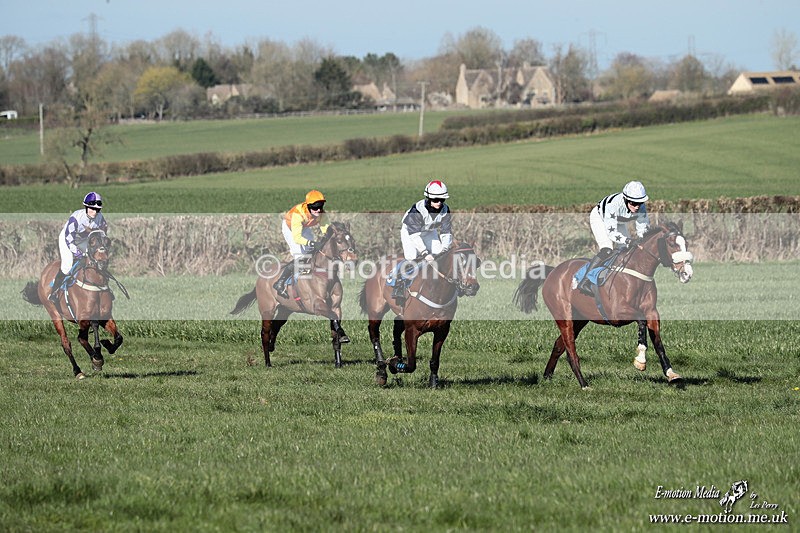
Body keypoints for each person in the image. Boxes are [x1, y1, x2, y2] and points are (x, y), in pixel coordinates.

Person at [577, 180, 650, 294]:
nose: (637, 207)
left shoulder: (641, 208)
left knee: (626, 250)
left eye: (639, 203)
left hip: (619, 221)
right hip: (600, 218)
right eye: (633, 203)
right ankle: (584, 281)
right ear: (625, 199)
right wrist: (628, 240)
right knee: (607, 250)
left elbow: (643, 230)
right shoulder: (613, 205)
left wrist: (642, 242)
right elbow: (612, 233)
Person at [393, 180, 453, 302]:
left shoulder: (445, 209)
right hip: (411, 232)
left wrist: (446, 248)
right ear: (428, 198)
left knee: (441, 254)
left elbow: (446, 231)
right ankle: (399, 285)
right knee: (412, 256)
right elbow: (414, 235)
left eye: (442, 200)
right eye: (436, 200)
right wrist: (425, 253)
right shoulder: (417, 210)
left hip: (429, 231)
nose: (439, 203)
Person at [49, 191, 108, 303]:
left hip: (84, 239)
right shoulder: (76, 218)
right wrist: (77, 253)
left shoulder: (100, 218)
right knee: (67, 266)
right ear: (85, 207)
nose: (94, 212)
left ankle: (104, 289)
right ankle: (54, 292)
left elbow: (103, 234)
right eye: (91, 208)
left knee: (97, 259)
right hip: (68, 239)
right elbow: (69, 239)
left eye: (97, 209)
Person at [273, 190, 329, 298]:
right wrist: (312, 243)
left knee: (312, 252)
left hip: (305, 227)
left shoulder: (321, 213)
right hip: (290, 228)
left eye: (321, 205)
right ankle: (280, 283)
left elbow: (326, 230)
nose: (318, 209)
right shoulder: (298, 214)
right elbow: (297, 238)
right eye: (315, 206)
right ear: (308, 206)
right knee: (301, 256)